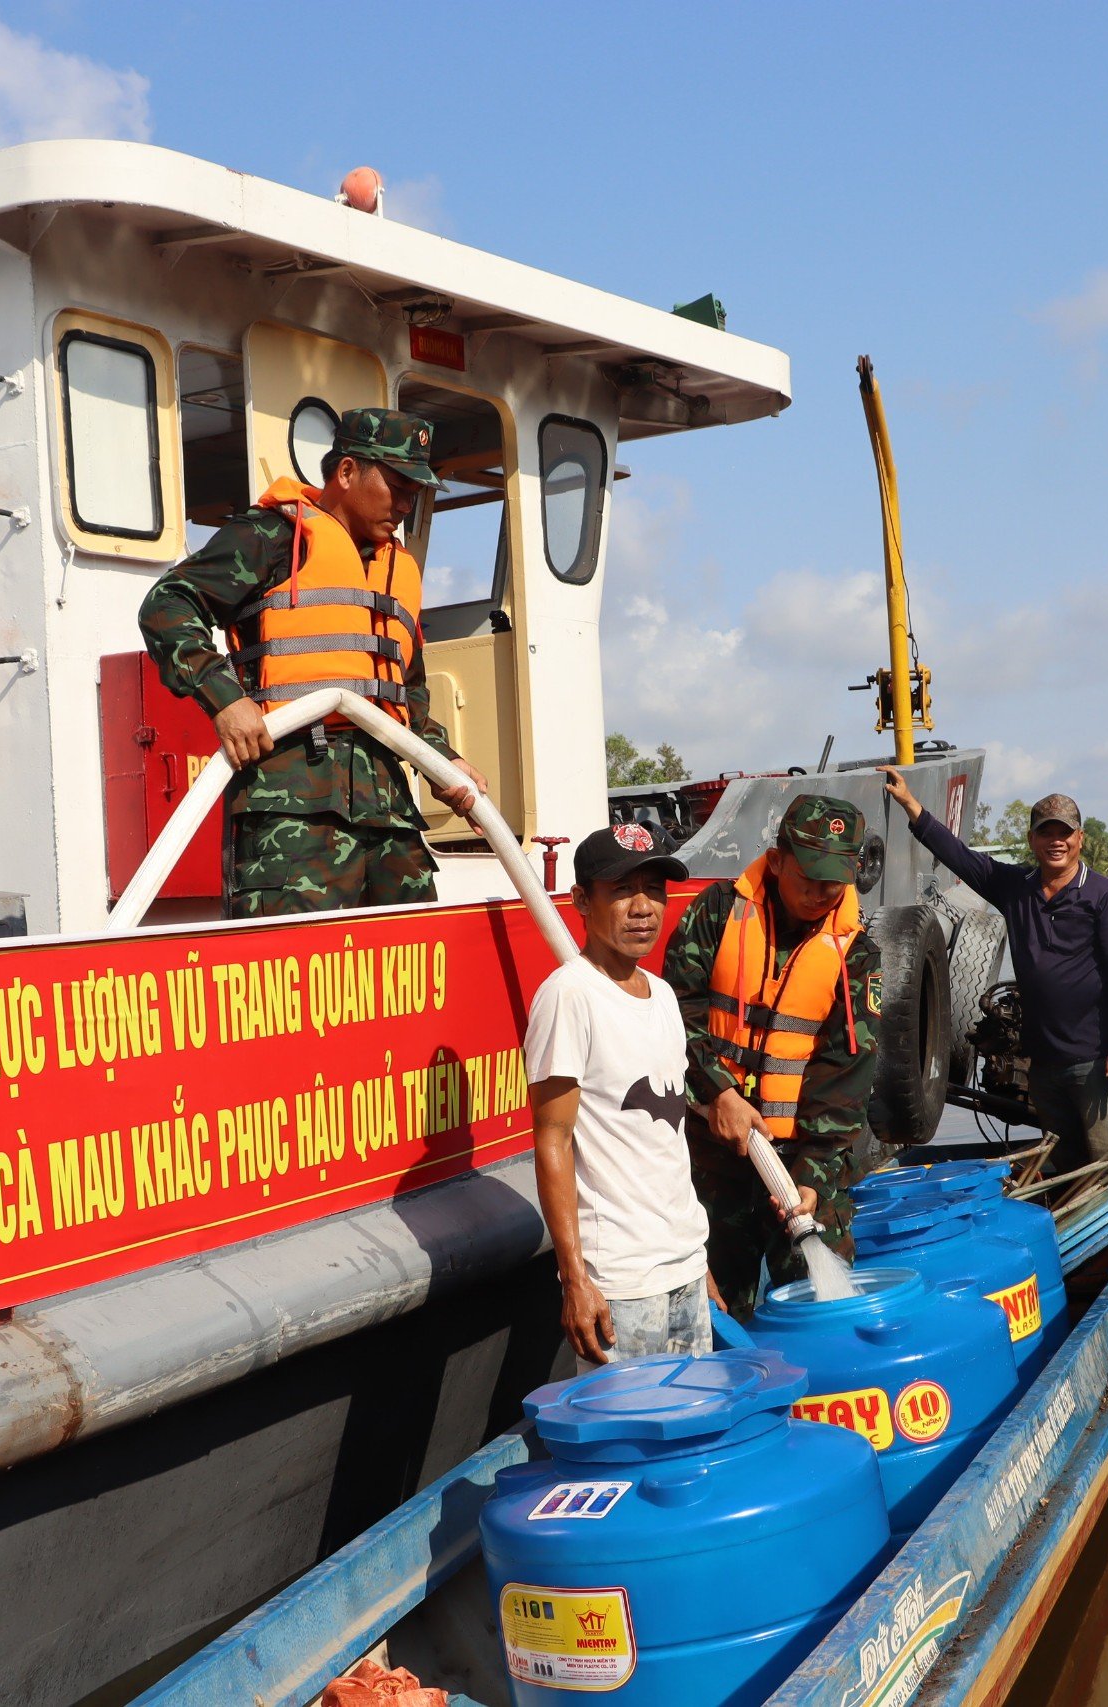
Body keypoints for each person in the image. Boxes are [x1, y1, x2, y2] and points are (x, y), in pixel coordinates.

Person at [137, 407, 492, 917]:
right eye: (397, 486)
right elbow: (168, 604)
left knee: (410, 975)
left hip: (390, 817)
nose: (406, 505)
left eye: (416, 493)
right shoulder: (274, 536)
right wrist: (225, 700)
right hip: (291, 813)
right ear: (346, 473)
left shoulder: (398, 573)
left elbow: (406, 694)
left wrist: (442, 759)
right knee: (293, 983)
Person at [663, 796, 882, 1318]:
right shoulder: (718, 912)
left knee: (823, 1308)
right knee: (715, 1307)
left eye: (834, 881)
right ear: (778, 859)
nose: (820, 893)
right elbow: (674, 1012)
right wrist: (718, 1091)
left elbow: (847, 1072)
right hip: (714, 1156)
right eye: (809, 877)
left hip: (802, 1162)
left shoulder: (856, 952)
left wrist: (812, 1177)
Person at [880, 772, 1108, 1175]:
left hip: (1095, 1062)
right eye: (1046, 833)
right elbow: (960, 857)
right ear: (1032, 840)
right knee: (1065, 1167)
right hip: (1042, 1064)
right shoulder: (1015, 887)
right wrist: (912, 807)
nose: (1056, 841)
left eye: (1065, 833)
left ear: (1080, 839)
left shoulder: (1104, 897)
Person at [525, 826, 716, 1362]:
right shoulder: (568, 997)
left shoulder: (662, 996)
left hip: (684, 1268)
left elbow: (667, 1139)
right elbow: (553, 1140)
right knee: (633, 1441)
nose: (643, 908)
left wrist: (698, 1262)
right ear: (582, 901)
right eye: (622, 890)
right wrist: (575, 1280)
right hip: (622, 1284)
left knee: (692, 1435)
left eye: (654, 890)